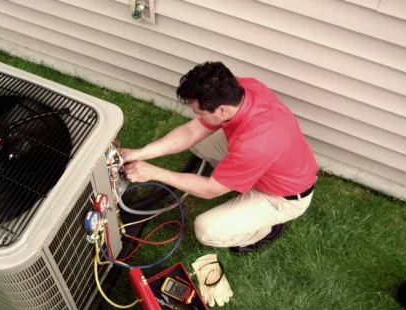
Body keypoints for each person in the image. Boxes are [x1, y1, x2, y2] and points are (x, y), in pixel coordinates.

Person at [122, 62, 318, 254]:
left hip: (281, 196)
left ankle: (265, 229)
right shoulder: (243, 88)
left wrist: (156, 173)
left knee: (206, 230)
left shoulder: (254, 145)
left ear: (222, 110)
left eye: (199, 112)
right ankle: (237, 179)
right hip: (268, 158)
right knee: (197, 142)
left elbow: (209, 190)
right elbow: (191, 132)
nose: (196, 116)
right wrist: (140, 153)